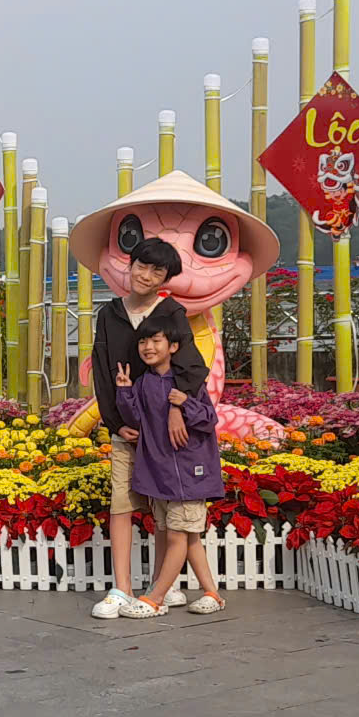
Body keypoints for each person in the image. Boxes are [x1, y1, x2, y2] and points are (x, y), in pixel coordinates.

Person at [83, 235, 210, 620]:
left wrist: (175, 411)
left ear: (166, 278)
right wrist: (116, 423)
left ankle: (161, 587)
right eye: (142, 265)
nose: (147, 275)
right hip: (128, 428)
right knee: (121, 504)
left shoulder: (172, 313)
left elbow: (192, 368)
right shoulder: (109, 315)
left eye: (158, 271)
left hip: (166, 431)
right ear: (130, 264)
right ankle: (121, 588)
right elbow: (103, 372)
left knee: (164, 507)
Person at [111, 325, 228, 617]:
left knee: (178, 537)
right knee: (189, 537)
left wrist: (185, 403)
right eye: (143, 341)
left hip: (190, 474)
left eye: (156, 340)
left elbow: (208, 419)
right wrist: (124, 391)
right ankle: (212, 594)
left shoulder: (187, 383)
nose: (148, 347)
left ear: (173, 346)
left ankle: (156, 598)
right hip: (162, 475)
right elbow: (136, 418)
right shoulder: (144, 383)